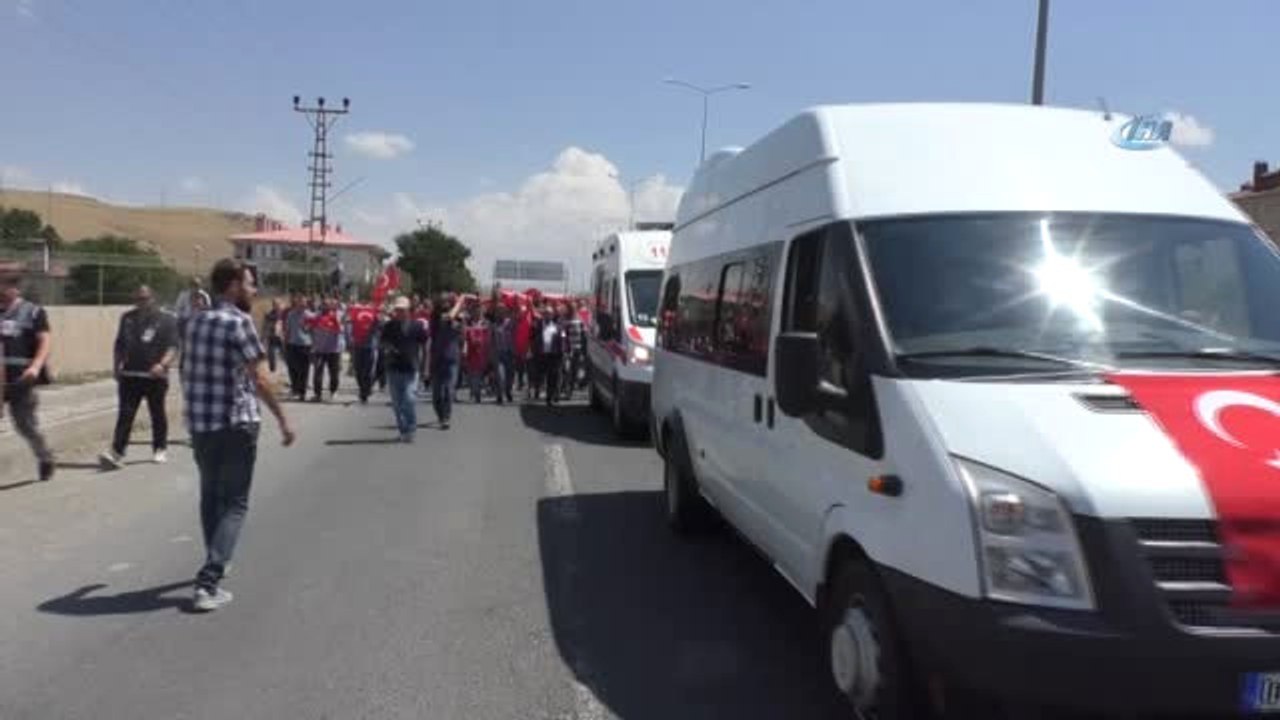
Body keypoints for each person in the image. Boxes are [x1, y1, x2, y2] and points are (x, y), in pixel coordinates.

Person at [181, 259, 295, 612]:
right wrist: (283, 418)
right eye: (249, 283)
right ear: (232, 285)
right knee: (235, 502)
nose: (254, 289)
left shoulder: (193, 321)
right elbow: (260, 378)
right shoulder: (239, 322)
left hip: (201, 424)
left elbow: (186, 371)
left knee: (210, 495)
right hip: (235, 423)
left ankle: (217, 557)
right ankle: (209, 580)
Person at [100, 285, 178, 469]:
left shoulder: (167, 320)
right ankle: (117, 452)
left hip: (154, 377)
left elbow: (173, 347)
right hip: (130, 375)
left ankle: (160, 447)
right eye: (137, 299)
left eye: (144, 299)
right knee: (125, 414)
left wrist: (162, 364)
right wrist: (116, 366)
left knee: (157, 413)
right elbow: (119, 345)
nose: (140, 303)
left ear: (153, 299)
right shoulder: (127, 318)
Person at [0, 273, 54, 482]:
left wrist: (35, 367)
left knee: (25, 424)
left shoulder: (33, 312)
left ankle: (45, 456)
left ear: (15, 288)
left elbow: (45, 341)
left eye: (3, 287)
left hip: (21, 378)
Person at [380, 296, 427, 442]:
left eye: (402, 310)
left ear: (408, 311)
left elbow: (426, 345)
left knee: (409, 398)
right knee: (397, 403)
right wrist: (389, 349)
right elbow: (383, 342)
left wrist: (426, 367)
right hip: (393, 368)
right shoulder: (389, 326)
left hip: (411, 368)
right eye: (397, 310)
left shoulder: (417, 326)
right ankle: (403, 430)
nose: (399, 312)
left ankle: (411, 427)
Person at [429, 293, 465, 429]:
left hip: (452, 359)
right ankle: (440, 415)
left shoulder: (459, 318)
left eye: (447, 302)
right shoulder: (435, 317)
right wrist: (459, 302)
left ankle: (446, 417)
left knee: (449, 390)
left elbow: (459, 328)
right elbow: (448, 317)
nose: (445, 304)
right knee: (437, 394)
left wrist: (459, 312)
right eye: (442, 302)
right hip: (437, 359)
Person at [306, 296, 343, 401]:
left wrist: (334, 320)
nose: (325, 307)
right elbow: (307, 326)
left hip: (333, 350)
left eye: (327, 304)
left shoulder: (337, 315)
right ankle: (317, 394)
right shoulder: (317, 315)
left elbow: (341, 329)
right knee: (317, 372)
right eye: (323, 305)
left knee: (334, 373)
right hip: (319, 350)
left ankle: (333, 391)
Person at [347, 300, 380, 404]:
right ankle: (363, 388)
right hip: (357, 345)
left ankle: (364, 392)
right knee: (358, 370)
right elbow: (349, 324)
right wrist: (350, 339)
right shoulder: (355, 312)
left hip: (369, 345)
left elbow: (378, 326)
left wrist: (376, 321)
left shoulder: (374, 312)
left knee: (368, 370)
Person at [538, 306, 565, 406]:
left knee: (552, 377)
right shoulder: (539, 325)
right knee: (541, 376)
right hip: (542, 355)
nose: (547, 315)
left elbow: (562, 339)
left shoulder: (557, 327)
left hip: (554, 356)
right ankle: (539, 391)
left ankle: (550, 397)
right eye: (546, 314)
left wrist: (562, 352)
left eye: (549, 314)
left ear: (552, 315)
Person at [490, 304, 515, 405]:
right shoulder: (493, 325)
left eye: (502, 310)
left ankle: (508, 391)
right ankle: (500, 395)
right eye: (498, 311)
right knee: (500, 376)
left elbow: (518, 322)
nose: (500, 313)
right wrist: (490, 355)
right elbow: (490, 341)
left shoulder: (509, 322)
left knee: (510, 376)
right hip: (498, 354)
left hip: (509, 354)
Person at [175, 276, 210, 347]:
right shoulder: (184, 294)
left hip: (199, 321)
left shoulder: (204, 295)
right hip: (186, 320)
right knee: (184, 343)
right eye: (194, 284)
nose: (196, 287)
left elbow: (209, 308)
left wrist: (201, 306)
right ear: (190, 285)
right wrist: (181, 317)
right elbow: (178, 307)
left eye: (198, 285)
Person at [464, 312, 490, 404]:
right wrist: (465, 350)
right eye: (476, 313)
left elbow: (488, 339)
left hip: (482, 353)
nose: (477, 315)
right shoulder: (468, 325)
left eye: (479, 314)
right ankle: (475, 392)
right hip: (471, 353)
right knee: (472, 374)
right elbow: (466, 339)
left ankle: (477, 392)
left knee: (479, 374)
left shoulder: (485, 325)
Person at [562, 302, 585, 400]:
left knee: (574, 371)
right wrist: (565, 349)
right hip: (568, 350)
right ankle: (567, 391)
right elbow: (563, 336)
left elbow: (583, 336)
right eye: (570, 308)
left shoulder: (580, 321)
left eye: (573, 308)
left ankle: (570, 390)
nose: (572, 309)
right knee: (568, 371)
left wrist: (583, 351)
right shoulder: (565, 321)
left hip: (578, 349)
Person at [262, 298, 285, 374]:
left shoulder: (285, 314)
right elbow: (265, 326)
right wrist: (263, 338)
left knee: (286, 356)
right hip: (272, 337)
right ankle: (272, 372)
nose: (276, 306)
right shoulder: (269, 314)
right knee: (271, 355)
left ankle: (288, 373)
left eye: (278, 304)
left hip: (283, 337)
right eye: (275, 304)